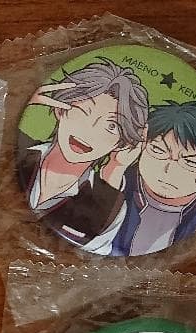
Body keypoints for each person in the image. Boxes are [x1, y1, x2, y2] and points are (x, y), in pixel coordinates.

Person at [18, 58, 149, 247]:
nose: (89, 131)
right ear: (60, 110)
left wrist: (116, 167)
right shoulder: (16, 153)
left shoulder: (111, 210)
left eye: (111, 126)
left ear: (122, 142)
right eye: (83, 110)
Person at [88, 101, 196, 256]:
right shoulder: (119, 180)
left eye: (191, 162)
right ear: (142, 146)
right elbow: (87, 226)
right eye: (158, 150)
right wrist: (115, 167)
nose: (168, 170)